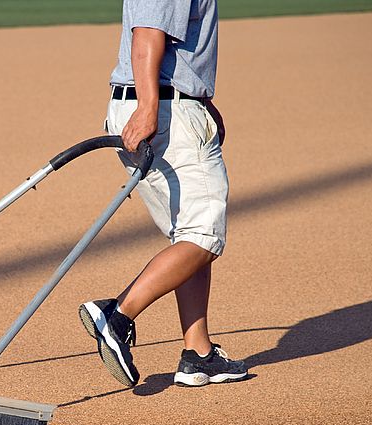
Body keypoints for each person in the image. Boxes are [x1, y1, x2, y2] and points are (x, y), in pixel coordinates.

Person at [79, 0, 248, 388]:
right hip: (163, 109)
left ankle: (199, 354)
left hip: (163, 104)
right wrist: (151, 107)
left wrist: (200, 101)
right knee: (203, 236)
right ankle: (117, 315)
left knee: (188, 235)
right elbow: (148, 34)